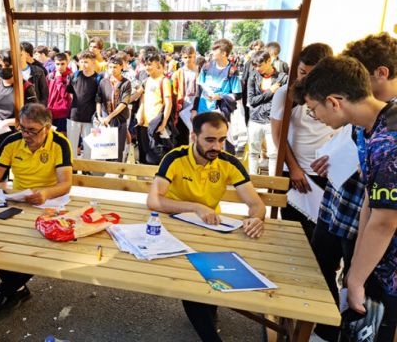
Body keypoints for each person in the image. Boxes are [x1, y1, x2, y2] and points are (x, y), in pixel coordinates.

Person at [293, 55, 397, 342]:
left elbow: (386, 221)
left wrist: (355, 278)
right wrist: (356, 270)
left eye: (314, 110)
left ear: (335, 102)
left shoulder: (389, 141)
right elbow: (369, 199)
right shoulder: (368, 128)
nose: (318, 118)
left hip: (390, 268)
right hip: (376, 257)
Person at [147, 112, 265, 342]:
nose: (217, 146)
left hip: (211, 230)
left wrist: (256, 218)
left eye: (222, 139)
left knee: (204, 281)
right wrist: (196, 207)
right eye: (210, 140)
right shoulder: (175, 157)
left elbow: (256, 204)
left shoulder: (228, 162)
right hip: (174, 228)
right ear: (193, 136)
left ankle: (209, 315)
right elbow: (154, 201)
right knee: (194, 285)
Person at [0, 103, 72, 319]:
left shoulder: (59, 143)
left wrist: (46, 193)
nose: (26, 134)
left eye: (32, 130)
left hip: (50, 203)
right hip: (17, 201)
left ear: (47, 127)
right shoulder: (12, 141)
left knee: (41, 247)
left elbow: (65, 184)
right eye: (23, 128)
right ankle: (15, 288)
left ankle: (5, 290)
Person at [269, 43, 334, 240]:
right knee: (293, 231)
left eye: (312, 74)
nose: (305, 79)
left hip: (326, 172)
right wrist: (294, 168)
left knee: (321, 235)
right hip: (293, 171)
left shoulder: (336, 96)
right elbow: (277, 134)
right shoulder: (285, 94)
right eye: (302, 72)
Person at [0, 49, 38, 176]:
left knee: (22, 179)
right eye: (0, 66)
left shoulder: (26, 87)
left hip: (19, 138)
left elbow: (31, 117)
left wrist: (7, 122)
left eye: (7, 66)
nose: (3, 69)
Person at [246, 50, 288, 176]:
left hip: (272, 121)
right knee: (253, 153)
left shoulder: (282, 78)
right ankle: (252, 183)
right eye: (255, 66)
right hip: (255, 120)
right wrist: (270, 91)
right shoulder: (253, 76)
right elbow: (251, 101)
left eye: (260, 65)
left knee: (273, 154)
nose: (257, 68)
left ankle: (272, 185)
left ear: (269, 61)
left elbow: (283, 101)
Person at [136, 53, 172, 165]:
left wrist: (163, 123)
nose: (147, 67)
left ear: (158, 65)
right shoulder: (147, 80)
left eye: (150, 64)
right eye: (146, 64)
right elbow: (142, 98)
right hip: (143, 124)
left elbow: (168, 103)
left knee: (155, 156)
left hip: (155, 124)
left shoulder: (164, 81)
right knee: (144, 154)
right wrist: (139, 114)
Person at [95, 54, 132, 162]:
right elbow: (98, 100)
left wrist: (110, 117)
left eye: (115, 67)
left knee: (118, 150)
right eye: (110, 67)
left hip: (119, 120)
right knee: (105, 149)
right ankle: (108, 174)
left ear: (121, 67)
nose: (112, 70)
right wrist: (100, 116)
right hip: (105, 120)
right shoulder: (103, 82)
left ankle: (117, 174)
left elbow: (123, 103)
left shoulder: (126, 83)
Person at [66, 50, 101, 160]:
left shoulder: (99, 79)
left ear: (93, 62)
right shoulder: (74, 76)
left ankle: (87, 170)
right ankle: (73, 168)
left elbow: (100, 100)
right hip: (74, 117)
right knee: (71, 145)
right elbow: (71, 94)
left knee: (89, 147)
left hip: (91, 119)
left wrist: (98, 116)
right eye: (81, 62)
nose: (83, 64)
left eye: (86, 62)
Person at [171, 45, 198, 146]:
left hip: (196, 106)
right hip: (182, 108)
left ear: (194, 56)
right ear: (182, 57)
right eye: (185, 57)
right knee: (182, 136)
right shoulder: (178, 73)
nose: (188, 59)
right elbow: (174, 91)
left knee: (197, 135)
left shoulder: (199, 71)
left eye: (190, 57)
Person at [46, 52, 73, 134]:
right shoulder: (50, 76)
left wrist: (59, 78)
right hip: (50, 112)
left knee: (62, 137)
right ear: (54, 63)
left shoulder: (70, 76)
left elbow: (64, 94)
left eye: (62, 64)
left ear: (67, 63)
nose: (60, 67)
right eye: (57, 64)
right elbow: (46, 93)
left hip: (63, 113)